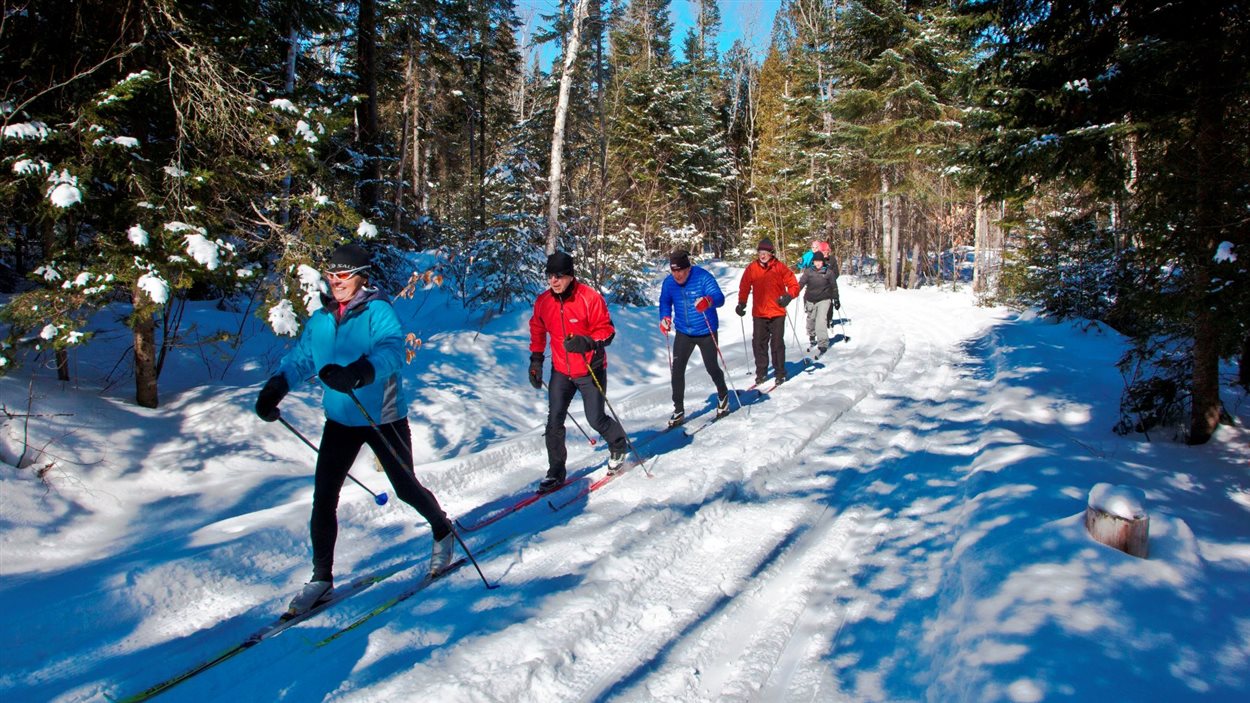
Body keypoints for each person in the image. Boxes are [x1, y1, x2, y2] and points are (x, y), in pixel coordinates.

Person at [254, 242, 456, 617]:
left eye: (343, 276)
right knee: (324, 496)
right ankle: (321, 579)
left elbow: (393, 351)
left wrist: (360, 372)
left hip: (383, 415)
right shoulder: (321, 320)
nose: (336, 282)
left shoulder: (378, 311)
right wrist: (276, 387)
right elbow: (300, 359)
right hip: (341, 421)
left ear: (361, 277)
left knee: (405, 487)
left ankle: (443, 532)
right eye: (331, 276)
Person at [528, 251, 630, 493]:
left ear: (571, 276)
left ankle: (618, 445)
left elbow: (607, 331)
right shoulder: (544, 302)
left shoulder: (589, 298)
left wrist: (587, 342)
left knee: (595, 418)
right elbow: (537, 329)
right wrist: (536, 361)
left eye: (559, 276)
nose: (554, 281)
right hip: (561, 370)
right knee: (554, 421)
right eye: (550, 276)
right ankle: (555, 471)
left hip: (589, 368)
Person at [658, 249, 730, 428]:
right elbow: (665, 302)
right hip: (684, 332)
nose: (678, 275)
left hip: (706, 330)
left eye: (681, 271)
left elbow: (719, 298)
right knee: (677, 370)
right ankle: (679, 409)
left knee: (712, 367)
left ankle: (723, 395)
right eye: (674, 271)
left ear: (688, 268)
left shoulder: (703, 277)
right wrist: (665, 318)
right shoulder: (669, 283)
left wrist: (708, 301)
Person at [735, 238, 800, 386]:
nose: (762, 255)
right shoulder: (752, 268)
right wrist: (741, 303)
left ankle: (780, 373)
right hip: (759, 313)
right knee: (759, 343)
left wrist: (788, 296)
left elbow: (793, 284)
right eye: (760, 252)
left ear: (771, 253)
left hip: (777, 312)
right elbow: (744, 286)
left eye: (765, 253)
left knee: (777, 344)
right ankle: (761, 373)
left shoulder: (779, 267)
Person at [796, 250, 841, 353]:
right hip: (810, 299)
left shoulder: (828, 272)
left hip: (824, 299)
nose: (817, 263)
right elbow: (802, 283)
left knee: (821, 321)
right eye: (816, 261)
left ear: (823, 262)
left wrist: (836, 299)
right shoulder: (808, 271)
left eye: (819, 261)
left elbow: (834, 287)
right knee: (811, 319)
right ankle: (812, 336)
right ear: (813, 262)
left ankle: (823, 343)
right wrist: (794, 291)